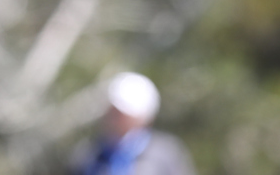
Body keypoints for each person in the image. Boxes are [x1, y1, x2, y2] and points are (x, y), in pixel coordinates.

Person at [69, 72, 197, 175]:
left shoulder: (166, 154)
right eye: (113, 109)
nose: (115, 116)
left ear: (144, 118)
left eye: (122, 112)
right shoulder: (88, 153)